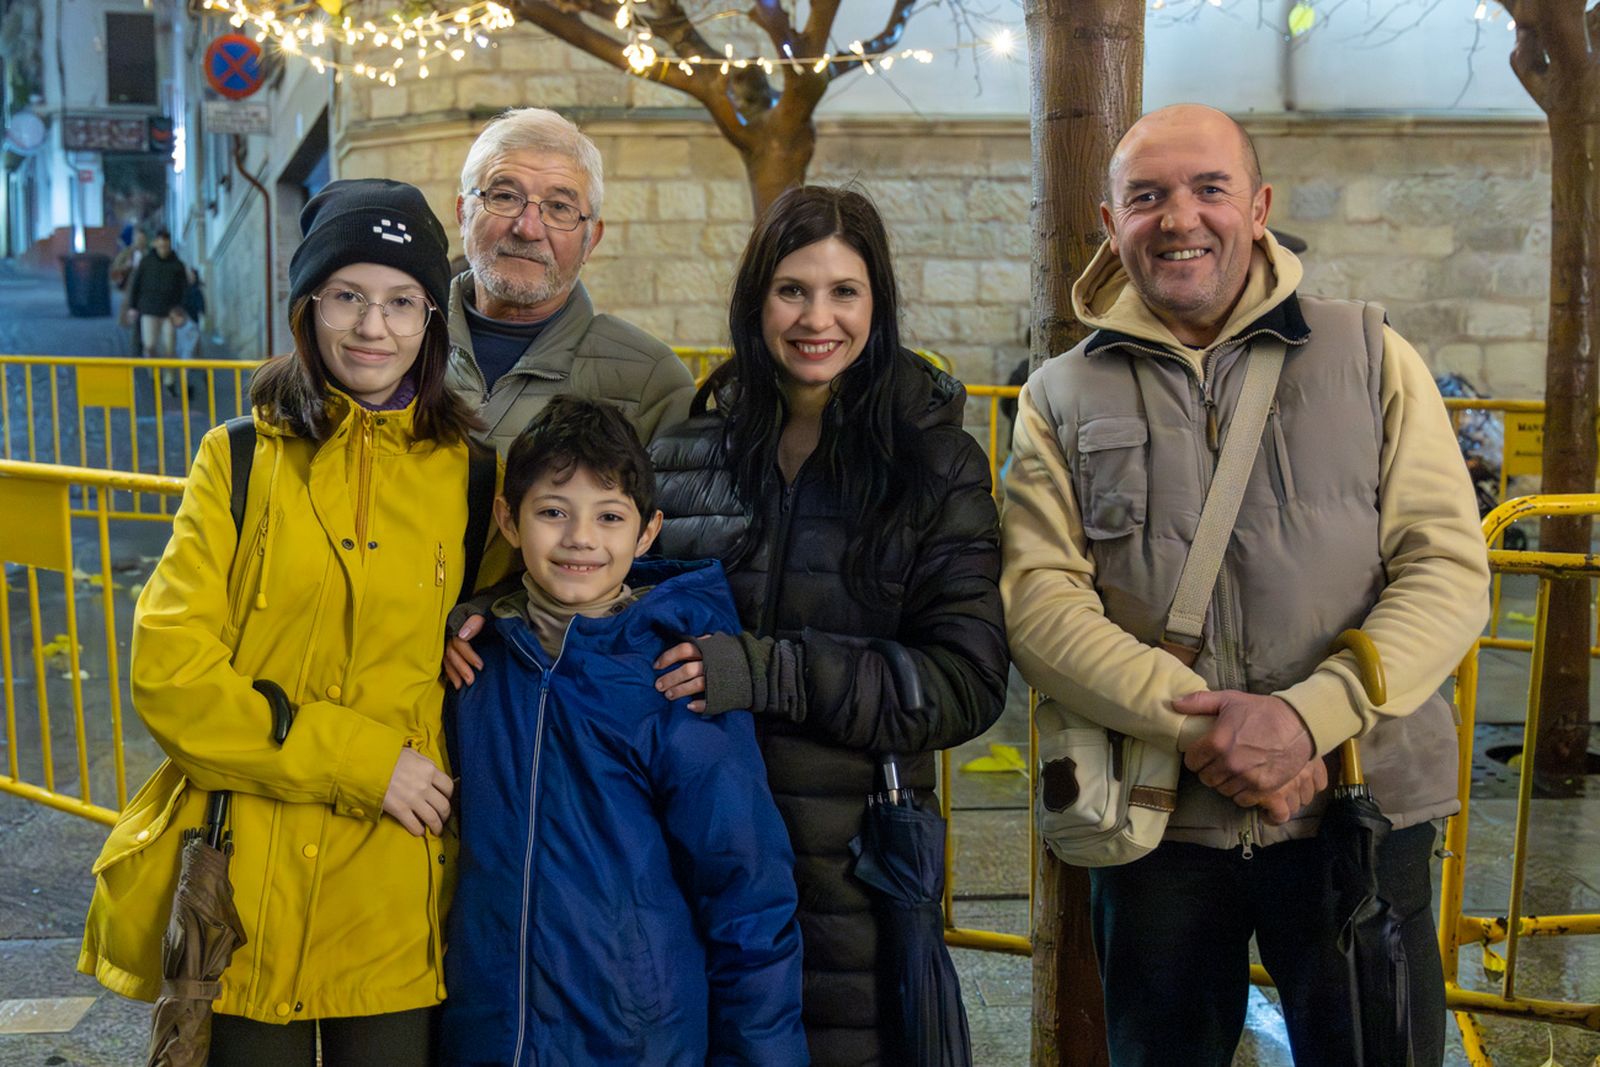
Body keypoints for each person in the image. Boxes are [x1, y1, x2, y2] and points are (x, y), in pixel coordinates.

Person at [1001, 104, 1490, 1066]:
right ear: (1111, 222)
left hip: (1357, 801)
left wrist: (1311, 717)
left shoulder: (1370, 354)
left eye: (1208, 189)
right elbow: (1041, 604)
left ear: (1258, 206)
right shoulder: (1058, 393)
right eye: (1147, 196)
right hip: (1158, 824)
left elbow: (1447, 570)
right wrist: (1213, 732)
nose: (1179, 217)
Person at [79, 178, 497, 1065]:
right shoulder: (234, 458)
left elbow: (494, 639)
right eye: (347, 296)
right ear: (310, 308)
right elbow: (171, 670)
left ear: (431, 319)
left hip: (393, 883)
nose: (371, 327)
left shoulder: (472, 479)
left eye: (399, 302)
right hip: (244, 888)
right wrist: (361, 759)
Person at [645, 185, 1008, 1063]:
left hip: (854, 884)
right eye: (792, 289)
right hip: (695, 871)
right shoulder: (684, 450)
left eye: (844, 291)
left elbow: (966, 681)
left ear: (876, 305)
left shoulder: (935, 460)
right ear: (754, 300)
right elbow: (619, 616)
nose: (818, 317)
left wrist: (770, 671)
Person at [439, 395, 806, 1066]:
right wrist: (464, 620)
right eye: (553, 511)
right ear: (508, 520)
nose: (581, 538)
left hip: (637, 1039)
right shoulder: (476, 662)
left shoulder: (677, 676)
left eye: (609, 516)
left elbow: (748, 889)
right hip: (487, 1030)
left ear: (646, 532)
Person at [446, 106, 696, 450]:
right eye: (504, 197)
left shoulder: (650, 383)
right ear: (463, 214)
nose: (528, 228)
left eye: (559, 208)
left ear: (590, 240)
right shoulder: (390, 346)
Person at [124, 228, 189, 385]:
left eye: (166, 244)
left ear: (169, 244)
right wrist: (133, 307)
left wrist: (180, 310)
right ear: (156, 244)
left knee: (169, 346)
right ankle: (153, 372)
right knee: (149, 345)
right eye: (160, 244)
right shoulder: (147, 262)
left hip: (169, 312)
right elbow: (136, 285)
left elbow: (184, 289)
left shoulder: (177, 264)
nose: (163, 247)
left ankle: (169, 378)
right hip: (148, 310)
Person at [110, 227, 147, 356]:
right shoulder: (127, 253)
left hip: (146, 292)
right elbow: (115, 269)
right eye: (137, 239)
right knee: (133, 321)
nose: (140, 241)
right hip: (131, 291)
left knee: (144, 321)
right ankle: (135, 351)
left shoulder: (148, 254)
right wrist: (127, 266)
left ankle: (141, 348)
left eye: (142, 239)